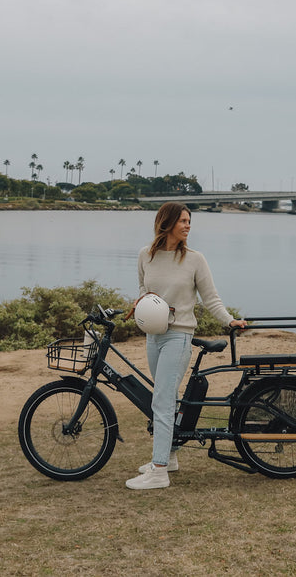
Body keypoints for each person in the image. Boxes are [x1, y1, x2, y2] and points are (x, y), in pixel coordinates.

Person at [126, 202, 246, 490]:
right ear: (166, 222)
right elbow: (144, 290)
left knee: (162, 401)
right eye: (182, 220)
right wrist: (140, 305)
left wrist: (230, 321)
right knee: (165, 398)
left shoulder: (194, 259)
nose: (188, 225)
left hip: (178, 336)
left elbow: (210, 299)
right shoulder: (146, 255)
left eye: (189, 221)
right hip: (152, 336)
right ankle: (170, 455)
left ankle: (159, 471)